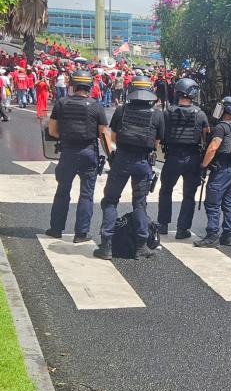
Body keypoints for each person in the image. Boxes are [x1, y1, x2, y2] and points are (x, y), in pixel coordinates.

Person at [94, 76, 164, 260]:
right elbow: (157, 142)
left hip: (122, 160)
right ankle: (141, 246)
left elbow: (114, 137)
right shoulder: (157, 114)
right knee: (139, 203)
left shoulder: (121, 110)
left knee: (110, 201)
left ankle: (106, 246)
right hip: (143, 163)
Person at [46, 70, 111, 242]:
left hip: (67, 152)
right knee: (86, 194)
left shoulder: (61, 103)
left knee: (62, 192)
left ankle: (56, 229)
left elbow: (52, 130)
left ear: (73, 85)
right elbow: (103, 135)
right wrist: (111, 156)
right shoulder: (96, 106)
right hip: (89, 153)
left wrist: (67, 136)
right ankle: (81, 234)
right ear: (89, 86)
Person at [157, 78, 210, 239]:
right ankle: (182, 229)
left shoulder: (167, 112)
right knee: (189, 195)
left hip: (172, 157)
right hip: (193, 159)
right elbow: (206, 134)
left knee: (166, 191)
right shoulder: (200, 114)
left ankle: (163, 225)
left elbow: (161, 134)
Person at [195, 96, 231, 247]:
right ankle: (228, 236)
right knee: (229, 204)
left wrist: (204, 165)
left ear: (227, 110)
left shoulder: (221, 127)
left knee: (212, 203)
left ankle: (212, 235)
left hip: (221, 169)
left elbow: (213, 147)